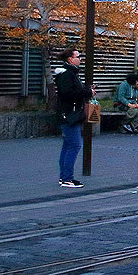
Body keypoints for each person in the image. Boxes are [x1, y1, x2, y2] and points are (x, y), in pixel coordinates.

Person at [54, 48, 94, 189]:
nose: (80, 59)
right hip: (70, 115)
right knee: (74, 145)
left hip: (69, 114)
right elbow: (69, 94)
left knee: (67, 146)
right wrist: (87, 91)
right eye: (78, 56)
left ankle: (64, 177)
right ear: (70, 59)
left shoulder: (69, 73)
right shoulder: (67, 74)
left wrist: (86, 90)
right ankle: (67, 178)